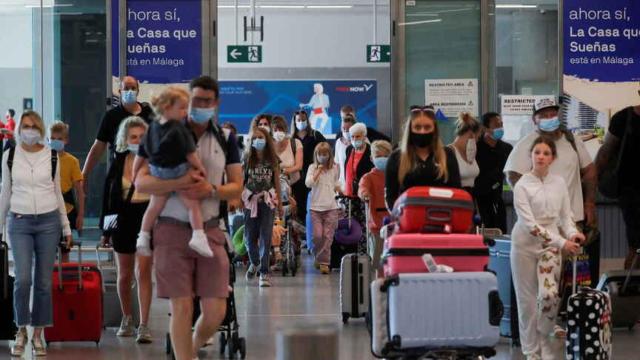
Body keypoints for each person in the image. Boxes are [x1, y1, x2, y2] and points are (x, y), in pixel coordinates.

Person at [135, 76, 242, 360]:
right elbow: (140, 182)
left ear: (216, 103)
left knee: (216, 310)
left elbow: (236, 186)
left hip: (210, 230)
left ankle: (190, 349)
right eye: (195, 100)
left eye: (206, 101)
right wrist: (178, 183)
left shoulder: (227, 139)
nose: (199, 106)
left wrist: (212, 190)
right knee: (181, 306)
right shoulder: (160, 132)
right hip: (170, 230)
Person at [0, 111, 72, 357]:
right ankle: (21, 330)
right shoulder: (10, 156)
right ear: (19, 128)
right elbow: (5, 193)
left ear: (40, 129)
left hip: (49, 221)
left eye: (34, 126)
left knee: (42, 282)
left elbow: (58, 193)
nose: (29, 130)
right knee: (22, 280)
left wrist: (66, 226)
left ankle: (38, 334)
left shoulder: (52, 156)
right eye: (25, 126)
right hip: (19, 221)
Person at [504, 98, 598, 284]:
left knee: (573, 276)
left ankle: (566, 311)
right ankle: (545, 310)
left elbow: (589, 171)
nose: (550, 118)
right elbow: (512, 174)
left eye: (552, 114)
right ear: (534, 120)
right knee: (546, 280)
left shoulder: (571, 140)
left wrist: (589, 203)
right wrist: (530, 202)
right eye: (544, 115)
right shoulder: (527, 144)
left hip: (571, 220)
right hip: (542, 224)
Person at [511, 136, 585, 360]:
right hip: (524, 244)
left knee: (550, 295)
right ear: (531, 156)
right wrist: (563, 242)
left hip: (549, 247)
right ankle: (531, 352)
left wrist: (572, 233)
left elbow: (565, 216)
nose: (541, 156)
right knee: (526, 302)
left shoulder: (559, 182)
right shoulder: (522, 185)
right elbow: (530, 226)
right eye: (537, 152)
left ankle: (544, 334)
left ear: (552, 158)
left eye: (545, 153)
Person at [135, 86, 211, 258]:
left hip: (158, 172)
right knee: (193, 204)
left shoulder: (152, 127)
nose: (186, 112)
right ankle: (199, 235)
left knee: (154, 207)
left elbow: (141, 154)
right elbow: (190, 153)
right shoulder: (179, 129)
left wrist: (134, 174)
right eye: (183, 108)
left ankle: (143, 236)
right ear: (167, 108)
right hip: (178, 171)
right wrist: (200, 168)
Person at [99, 116, 154, 343]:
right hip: (123, 219)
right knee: (124, 274)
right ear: (125, 139)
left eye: (142, 137)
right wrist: (106, 231)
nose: (138, 141)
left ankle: (143, 324)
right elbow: (109, 198)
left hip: (147, 217)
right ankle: (126, 318)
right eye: (133, 137)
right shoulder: (118, 161)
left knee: (143, 272)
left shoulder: (154, 161)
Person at [82, 76, 154, 191]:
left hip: (145, 173)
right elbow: (98, 147)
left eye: (133, 88)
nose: (130, 91)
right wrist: (85, 174)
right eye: (126, 88)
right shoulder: (111, 116)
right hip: (120, 174)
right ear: (120, 91)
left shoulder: (149, 114)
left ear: (138, 91)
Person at [385, 106, 462, 208]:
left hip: (441, 217)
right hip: (409, 219)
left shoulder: (447, 155)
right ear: (410, 129)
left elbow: (456, 192)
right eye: (417, 127)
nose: (422, 131)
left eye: (427, 127)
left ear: (434, 129)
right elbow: (391, 198)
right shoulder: (396, 158)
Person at [595, 103, 640, 269]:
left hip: (630, 192)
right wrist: (591, 186)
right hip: (632, 193)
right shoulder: (624, 118)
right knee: (636, 246)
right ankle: (631, 286)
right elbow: (605, 152)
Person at [242, 126, 282, 287]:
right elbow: (241, 180)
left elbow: (277, 182)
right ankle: (255, 262)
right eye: (255, 138)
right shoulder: (246, 158)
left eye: (261, 137)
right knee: (249, 237)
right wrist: (239, 199)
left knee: (265, 236)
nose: (258, 140)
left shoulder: (273, 160)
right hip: (250, 200)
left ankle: (264, 273)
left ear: (266, 140)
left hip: (268, 200)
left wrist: (279, 204)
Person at [49, 121, 85, 263]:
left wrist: (81, 215)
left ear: (66, 140)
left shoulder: (72, 161)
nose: (55, 141)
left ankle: (64, 279)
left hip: (67, 209)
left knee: (65, 249)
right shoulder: (43, 159)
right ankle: (50, 281)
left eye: (59, 139)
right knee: (48, 250)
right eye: (52, 138)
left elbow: (80, 191)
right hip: (48, 209)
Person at [306, 142, 341, 274]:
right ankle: (318, 255)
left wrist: (340, 188)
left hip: (331, 207)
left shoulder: (334, 168)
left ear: (329, 155)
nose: (322, 157)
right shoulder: (312, 168)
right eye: (320, 154)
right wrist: (318, 171)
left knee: (328, 236)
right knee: (317, 236)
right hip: (315, 207)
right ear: (316, 155)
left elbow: (336, 182)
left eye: (325, 154)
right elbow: (308, 183)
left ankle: (324, 263)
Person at [474, 112, 512, 233]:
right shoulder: (475, 148)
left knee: (501, 231)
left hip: (499, 198)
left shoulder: (507, 148)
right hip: (479, 200)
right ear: (485, 128)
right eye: (496, 125)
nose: (500, 128)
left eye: (501, 124)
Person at [358, 140, 392, 269]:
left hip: (394, 222)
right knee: (377, 260)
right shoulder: (368, 177)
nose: (381, 159)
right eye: (378, 156)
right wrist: (364, 194)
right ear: (372, 159)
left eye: (385, 156)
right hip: (376, 223)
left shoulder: (394, 176)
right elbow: (362, 188)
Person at [291, 110, 326, 222]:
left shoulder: (315, 135)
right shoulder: (291, 139)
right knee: (300, 207)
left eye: (303, 120)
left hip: (313, 177)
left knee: (314, 207)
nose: (301, 122)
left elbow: (326, 151)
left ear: (307, 120)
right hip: (296, 179)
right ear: (294, 122)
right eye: (298, 120)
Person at [448, 113, 481, 194]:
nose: (477, 141)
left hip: (470, 198)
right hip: (455, 198)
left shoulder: (471, 152)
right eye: (478, 137)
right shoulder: (448, 152)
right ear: (471, 134)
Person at [272, 115, 303, 189]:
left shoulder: (295, 143)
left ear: (285, 130)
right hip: (274, 186)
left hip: (295, 185)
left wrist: (283, 171)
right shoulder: (269, 146)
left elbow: (299, 166)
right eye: (275, 130)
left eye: (280, 129)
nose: (278, 132)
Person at [335, 106, 356, 187]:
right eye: (344, 129)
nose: (346, 131)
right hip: (343, 184)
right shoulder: (338, 142)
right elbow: (337, 165)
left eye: (348, 129)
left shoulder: (363, 140)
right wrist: (336, 183)